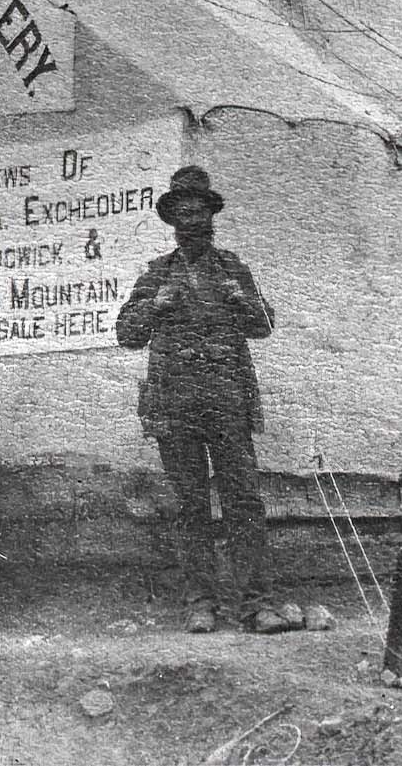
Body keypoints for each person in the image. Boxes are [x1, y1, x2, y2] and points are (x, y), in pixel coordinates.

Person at [116, 165, 289, 634]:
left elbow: (265, 326)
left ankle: (258, 603)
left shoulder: (233, 269)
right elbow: (126, 334)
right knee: (191, 505)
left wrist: (242, 301)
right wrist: (156, 305)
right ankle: (200, 602)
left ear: (211, 215)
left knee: (243, 501)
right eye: (182, 212)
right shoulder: (157, 274)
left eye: (199, 210)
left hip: (227, 401)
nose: (192, 220)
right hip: (176, 406)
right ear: (172, 221)